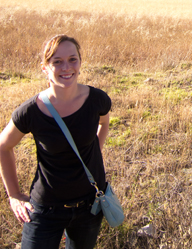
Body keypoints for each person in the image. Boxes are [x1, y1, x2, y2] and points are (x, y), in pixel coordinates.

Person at [0, 35, 112, 249]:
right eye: (57, 61)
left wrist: (94, 152)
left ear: (80, 62)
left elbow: (103, 123)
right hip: (45, 209)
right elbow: (3, 146)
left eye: (73, 59)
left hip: (90, 205)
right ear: (45, 68)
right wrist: (14, 195)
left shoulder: (97, 99)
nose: (66, 67)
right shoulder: (31, 111)